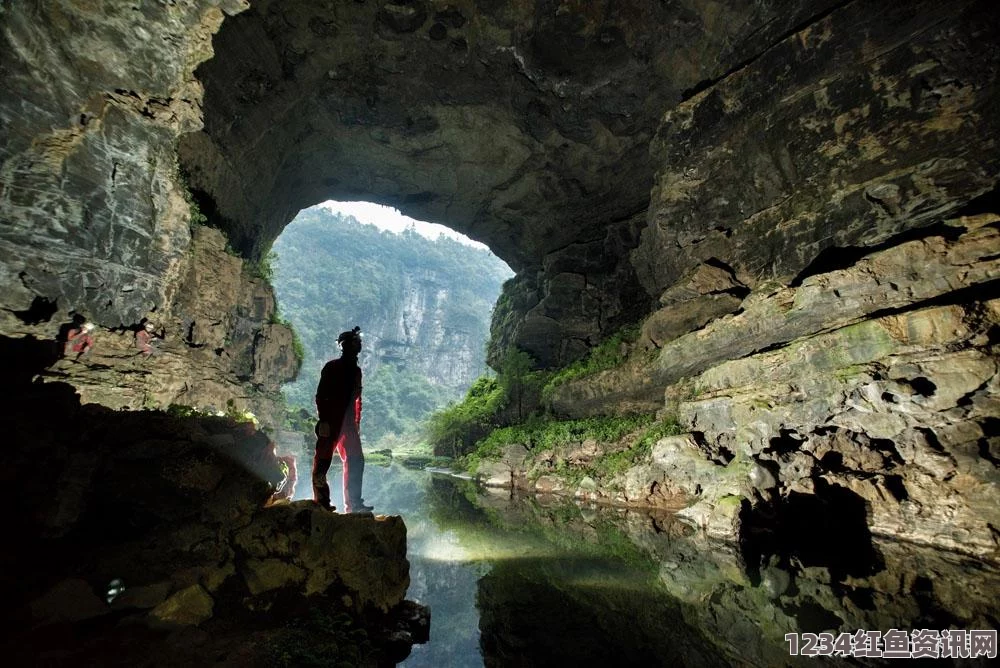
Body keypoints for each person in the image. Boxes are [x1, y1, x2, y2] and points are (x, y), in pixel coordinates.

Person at [313, 326, 373, 513]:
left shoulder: (356, 372)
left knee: (356, 460)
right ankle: (322, 501)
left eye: (358, 343)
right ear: (345, 346)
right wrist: (323, 420)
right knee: (323, 460)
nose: (358, 346)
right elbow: (321, 395)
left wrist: (356, 424)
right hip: (330, 420)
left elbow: (357, 400)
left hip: (347, 423)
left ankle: (354, 503)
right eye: (355, 343)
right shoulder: (332, 368)